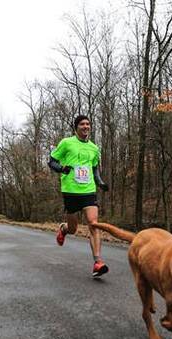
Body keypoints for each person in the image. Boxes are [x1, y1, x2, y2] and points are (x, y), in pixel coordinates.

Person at [48, 114, 110, 277]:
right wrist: (62, 169)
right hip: (70, 190)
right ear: (76, 127)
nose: (86, 126)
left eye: (88, 124)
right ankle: (64, 229)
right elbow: (51, 161)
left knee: (94, 224)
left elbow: (94, 169)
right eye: (82, 124)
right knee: (74, 229)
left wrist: (100, 183)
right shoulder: (66, 143)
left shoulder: (94, 148)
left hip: (89, 190)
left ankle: (98, 262)